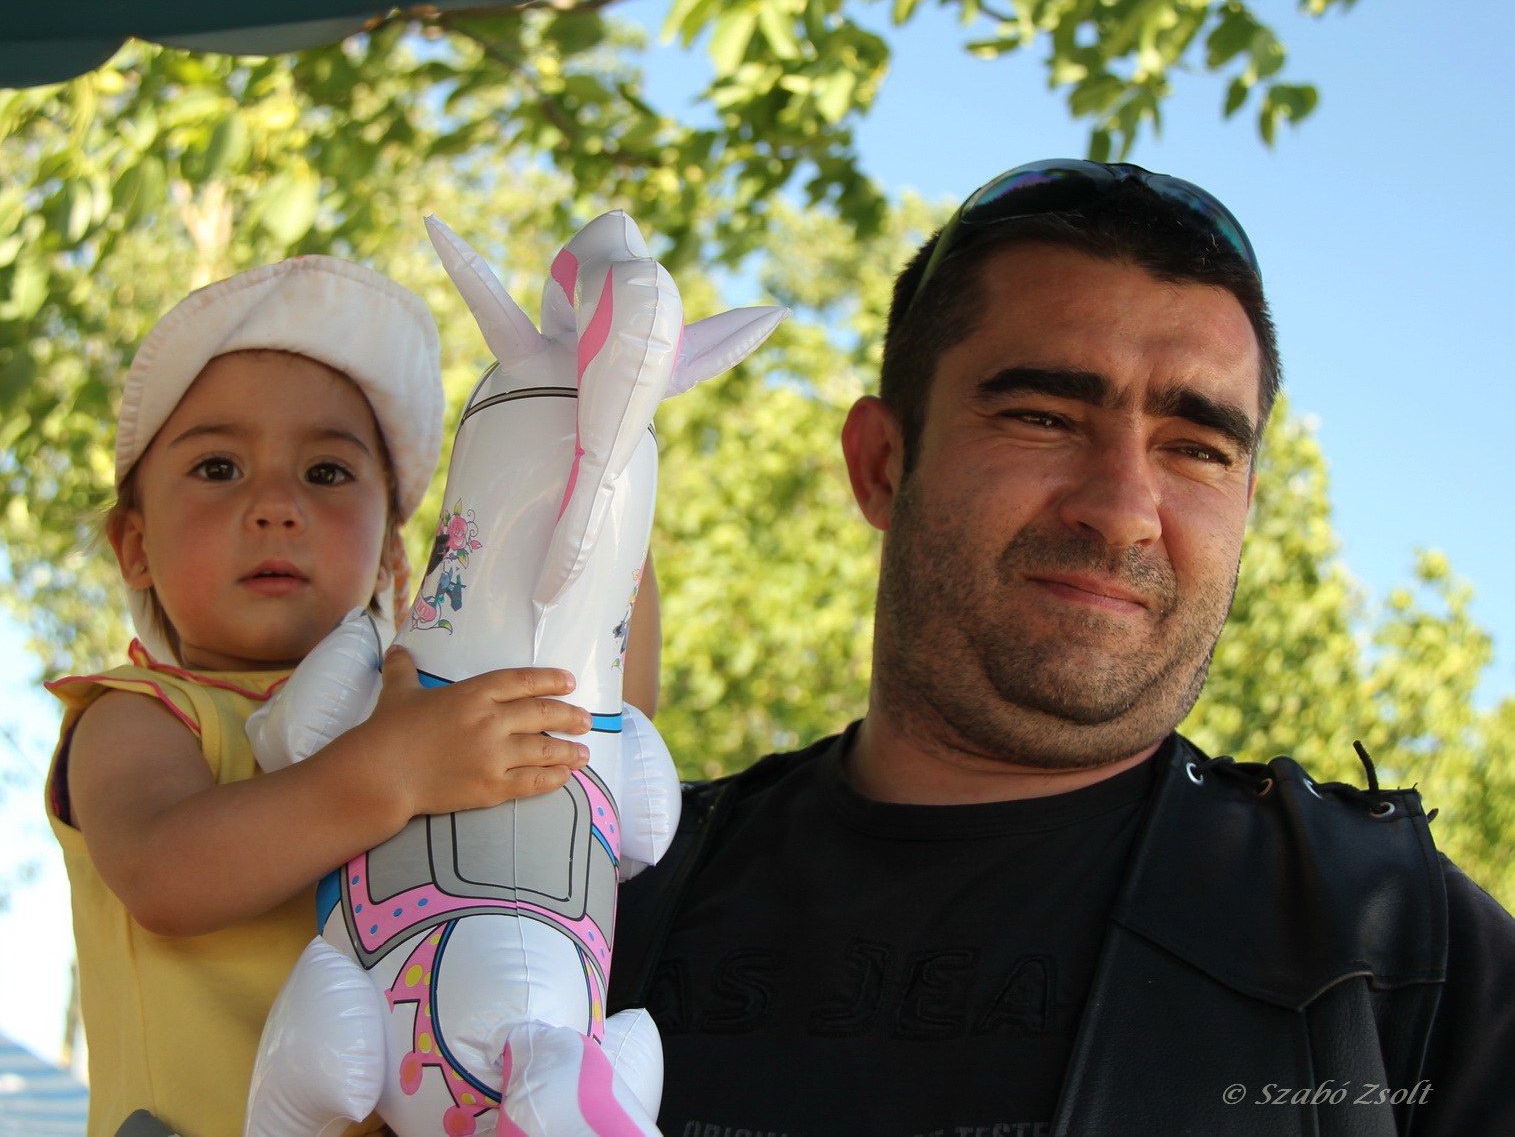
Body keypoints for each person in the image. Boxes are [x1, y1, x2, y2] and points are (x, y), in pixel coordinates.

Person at [609, 160, 1515, 1136]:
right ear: (881, 463)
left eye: (1197, 449)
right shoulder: (605, 893)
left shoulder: (1401, 953)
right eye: (1043, 418)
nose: (1123, 511)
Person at [44, 256, 661, 1137]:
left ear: (393, 558)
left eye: (327, 474)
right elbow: (159, 874)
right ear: (134, 547)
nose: (275, 506)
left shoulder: (426, 711)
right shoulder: (139, 712)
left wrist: (594, 497)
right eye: (218, 467)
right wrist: (391, 775)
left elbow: (591, 723)